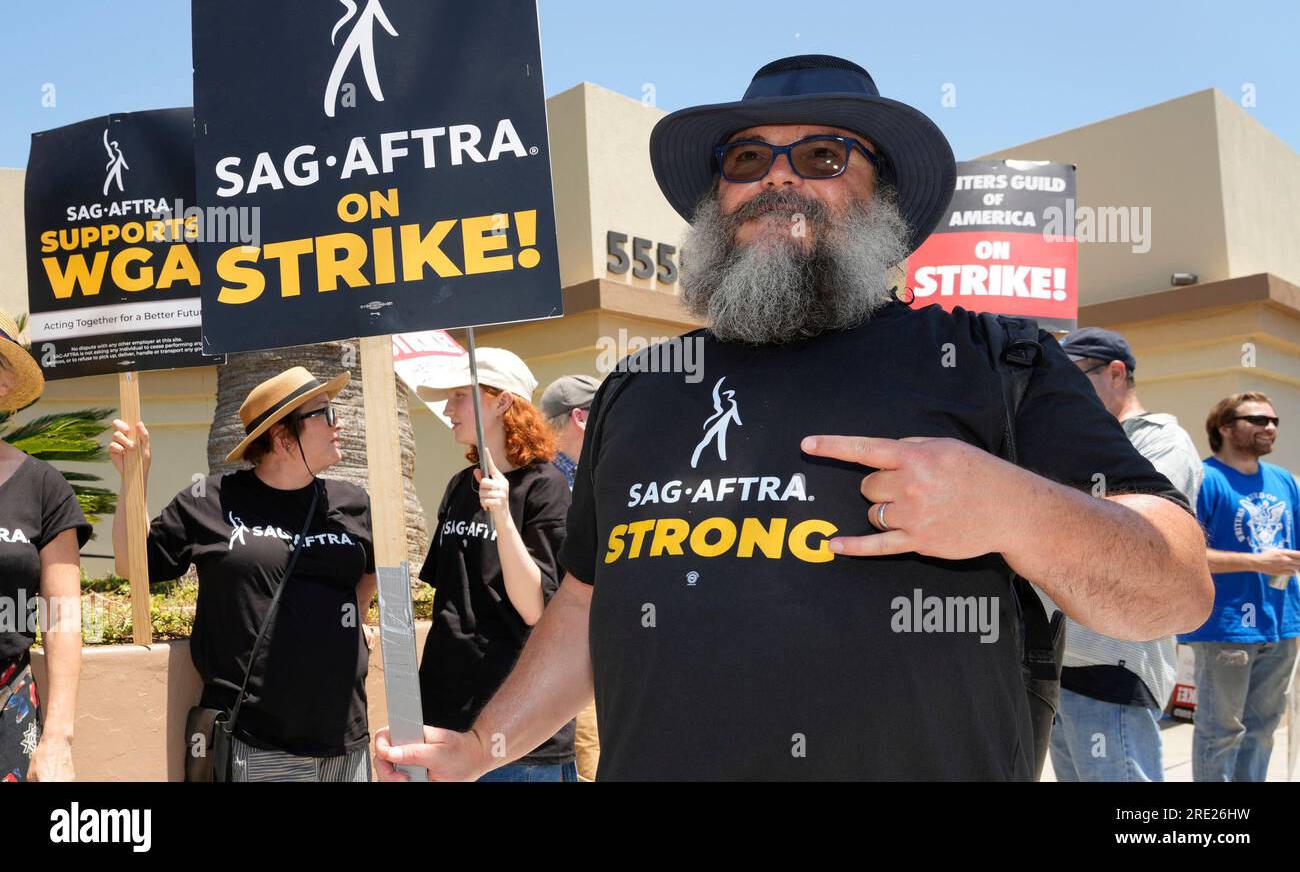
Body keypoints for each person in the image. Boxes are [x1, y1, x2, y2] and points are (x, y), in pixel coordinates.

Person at [376, 54, 1212, 782]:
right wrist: (483, 745)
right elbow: (586, 606)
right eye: (747, 157)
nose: (778, 177)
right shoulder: (641, 387)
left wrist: (1012, 507)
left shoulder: (991, 357)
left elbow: (1174, 586)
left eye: (820, 154)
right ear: (718, 198)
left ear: (880, 192)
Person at [108, 366, 376, 782]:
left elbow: (373, 569)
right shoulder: (210, 500)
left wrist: (353, 617)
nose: (338, 423)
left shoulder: (353, 503)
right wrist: (134, 479)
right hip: (258, 741)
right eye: (323, 413)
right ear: (283, 437)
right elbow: (133, 565)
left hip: (346, 738)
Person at [1046, 327, 1204, 781]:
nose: (1060, 389)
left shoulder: (1163, 441)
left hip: (1115, 661)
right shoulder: (1079, 437)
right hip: (1064, 656)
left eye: (1073, 376)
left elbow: (1131, 533)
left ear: (1116, 373)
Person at [413, 349, 575, 781]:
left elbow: (536, 609)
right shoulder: (457, 486)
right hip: (446, 718)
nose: (447, 409)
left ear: (503, 402)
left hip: (517, 730)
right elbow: (448, 599)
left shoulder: (546, 486)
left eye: (460, 395)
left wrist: (502, 516)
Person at [1180, 391, 1300, 781]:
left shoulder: (1284, 480)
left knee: (1262, 732)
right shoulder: (1205, 479)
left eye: (1274, 421)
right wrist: (1257, 562)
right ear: (1225, 428)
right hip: (1227, 628)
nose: (1270, 428)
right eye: (1259, 420)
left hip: (1282, 623)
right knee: (1222, 733)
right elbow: (1188, 555)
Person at [0, 309, 89, 782]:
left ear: (3, 386)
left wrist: (57, 739)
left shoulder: (43, 487)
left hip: (7, 713)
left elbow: (63, 618)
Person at [540, 374, 601, 779]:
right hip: (576, 649)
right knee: (589, 752)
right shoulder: (558, 486)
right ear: (581, 417)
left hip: (590, 648)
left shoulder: (555, 481)